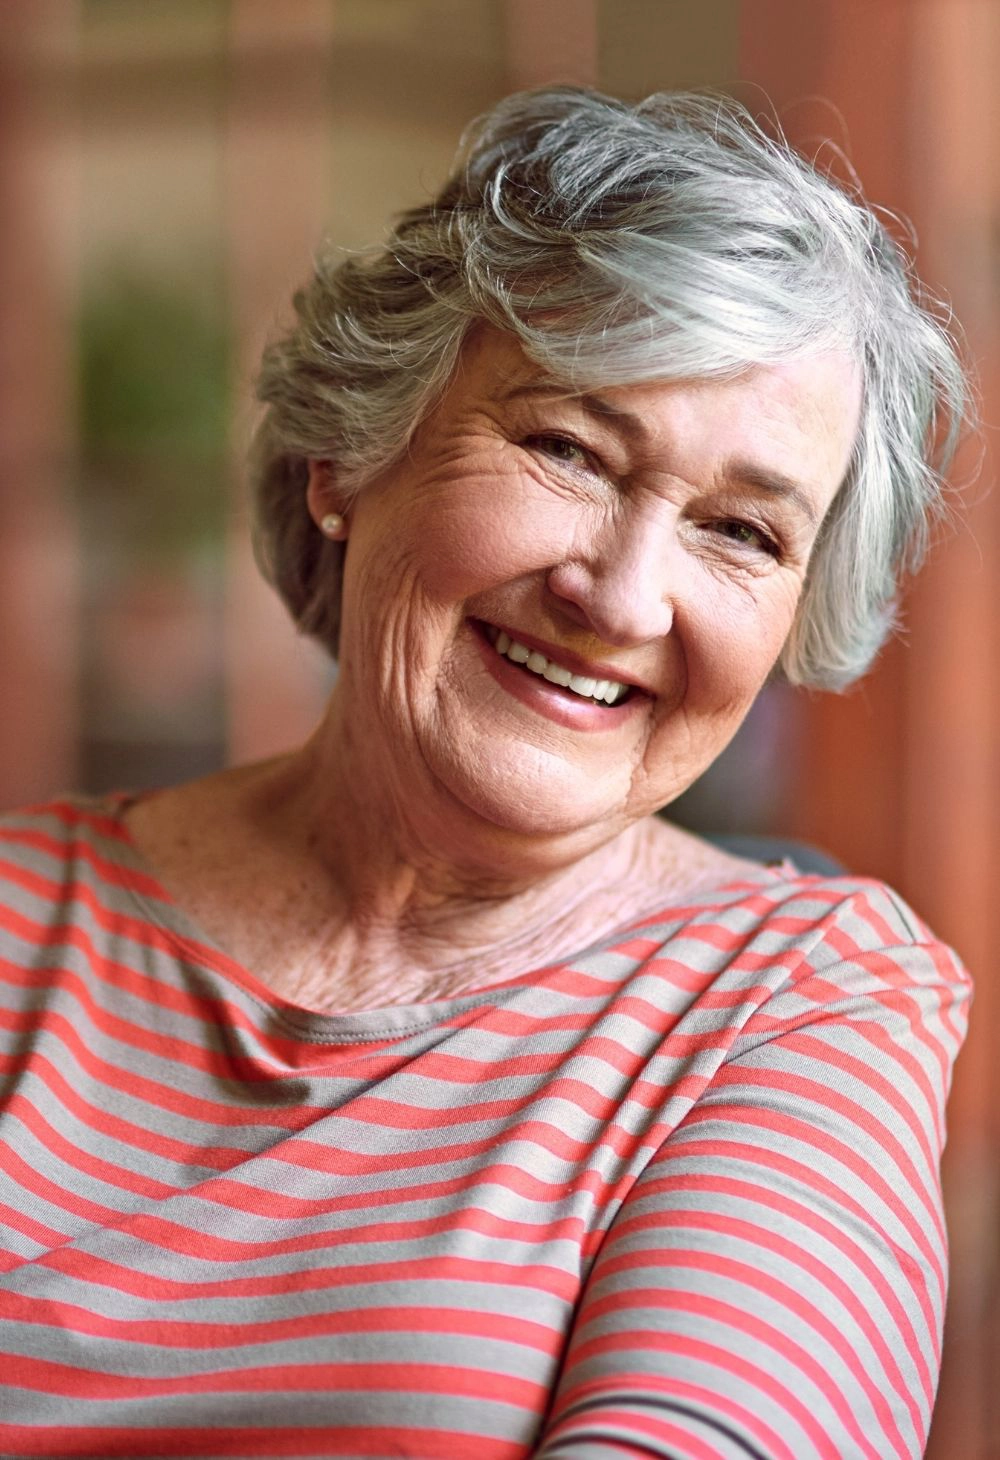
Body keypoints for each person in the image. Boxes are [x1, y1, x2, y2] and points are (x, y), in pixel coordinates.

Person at [0, 87, 971, 1460]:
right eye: (568, 449)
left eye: (742, 534)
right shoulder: (19, 921)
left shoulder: (796, 1004)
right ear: (351, 451)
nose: (626, 598)